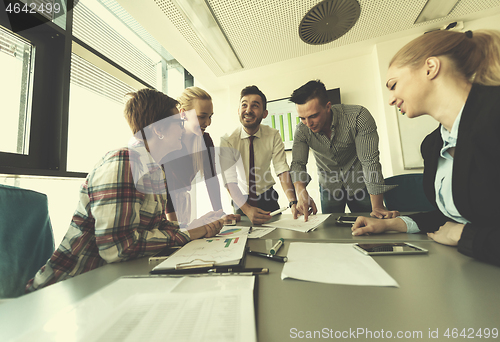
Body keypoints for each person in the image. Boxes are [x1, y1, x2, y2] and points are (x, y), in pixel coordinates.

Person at [26, 89, 225, 291]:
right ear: (159, 130)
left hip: (106, 284)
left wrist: (195, 225)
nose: (183, 129)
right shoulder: (124, 162)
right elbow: (117, 249)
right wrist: (188, 234)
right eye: (178, 123)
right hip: (67, 289)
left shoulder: (154, 169)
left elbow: (155, 227)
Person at [352, 29, 500, 266]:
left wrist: (463, 235)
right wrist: (390, 224)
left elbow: (460, 227)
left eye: (393, 84)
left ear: (430, 67)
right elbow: (453, 216)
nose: (390, 99)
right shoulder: (433, 145)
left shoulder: (494, 114)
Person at [289, 80, 398, 220]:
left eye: (313, 116)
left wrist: (377, 206)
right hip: (329, 187)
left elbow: (370, 162)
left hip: (361, 184)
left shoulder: (358, 116)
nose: (308, 124)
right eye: (302, 118)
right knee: (331, 230)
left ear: (328, 107)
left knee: (371, 225)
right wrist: (301, 192)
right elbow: (298, 164)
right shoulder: (302, 130)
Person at [219, 85, 299, 224]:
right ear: (238, 111)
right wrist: (247, 209)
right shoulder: (227, 140)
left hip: (268, 197)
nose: (248, 110)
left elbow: (282, 170)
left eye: (255, 106)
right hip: (241, 200)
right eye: (244, 105)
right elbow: (229, 180)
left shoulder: (273, 135)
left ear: (264, 113)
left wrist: (293, 201)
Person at [162, 87, 239, 226]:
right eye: (202, 116)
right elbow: (167, 186)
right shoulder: (170, 141)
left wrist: (219, 213)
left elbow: (211, 179)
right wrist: (173, 223)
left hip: (184, 202)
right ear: (183, 113)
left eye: (210, 116)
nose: (208, 123)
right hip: (165, 207)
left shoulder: (205, 140)